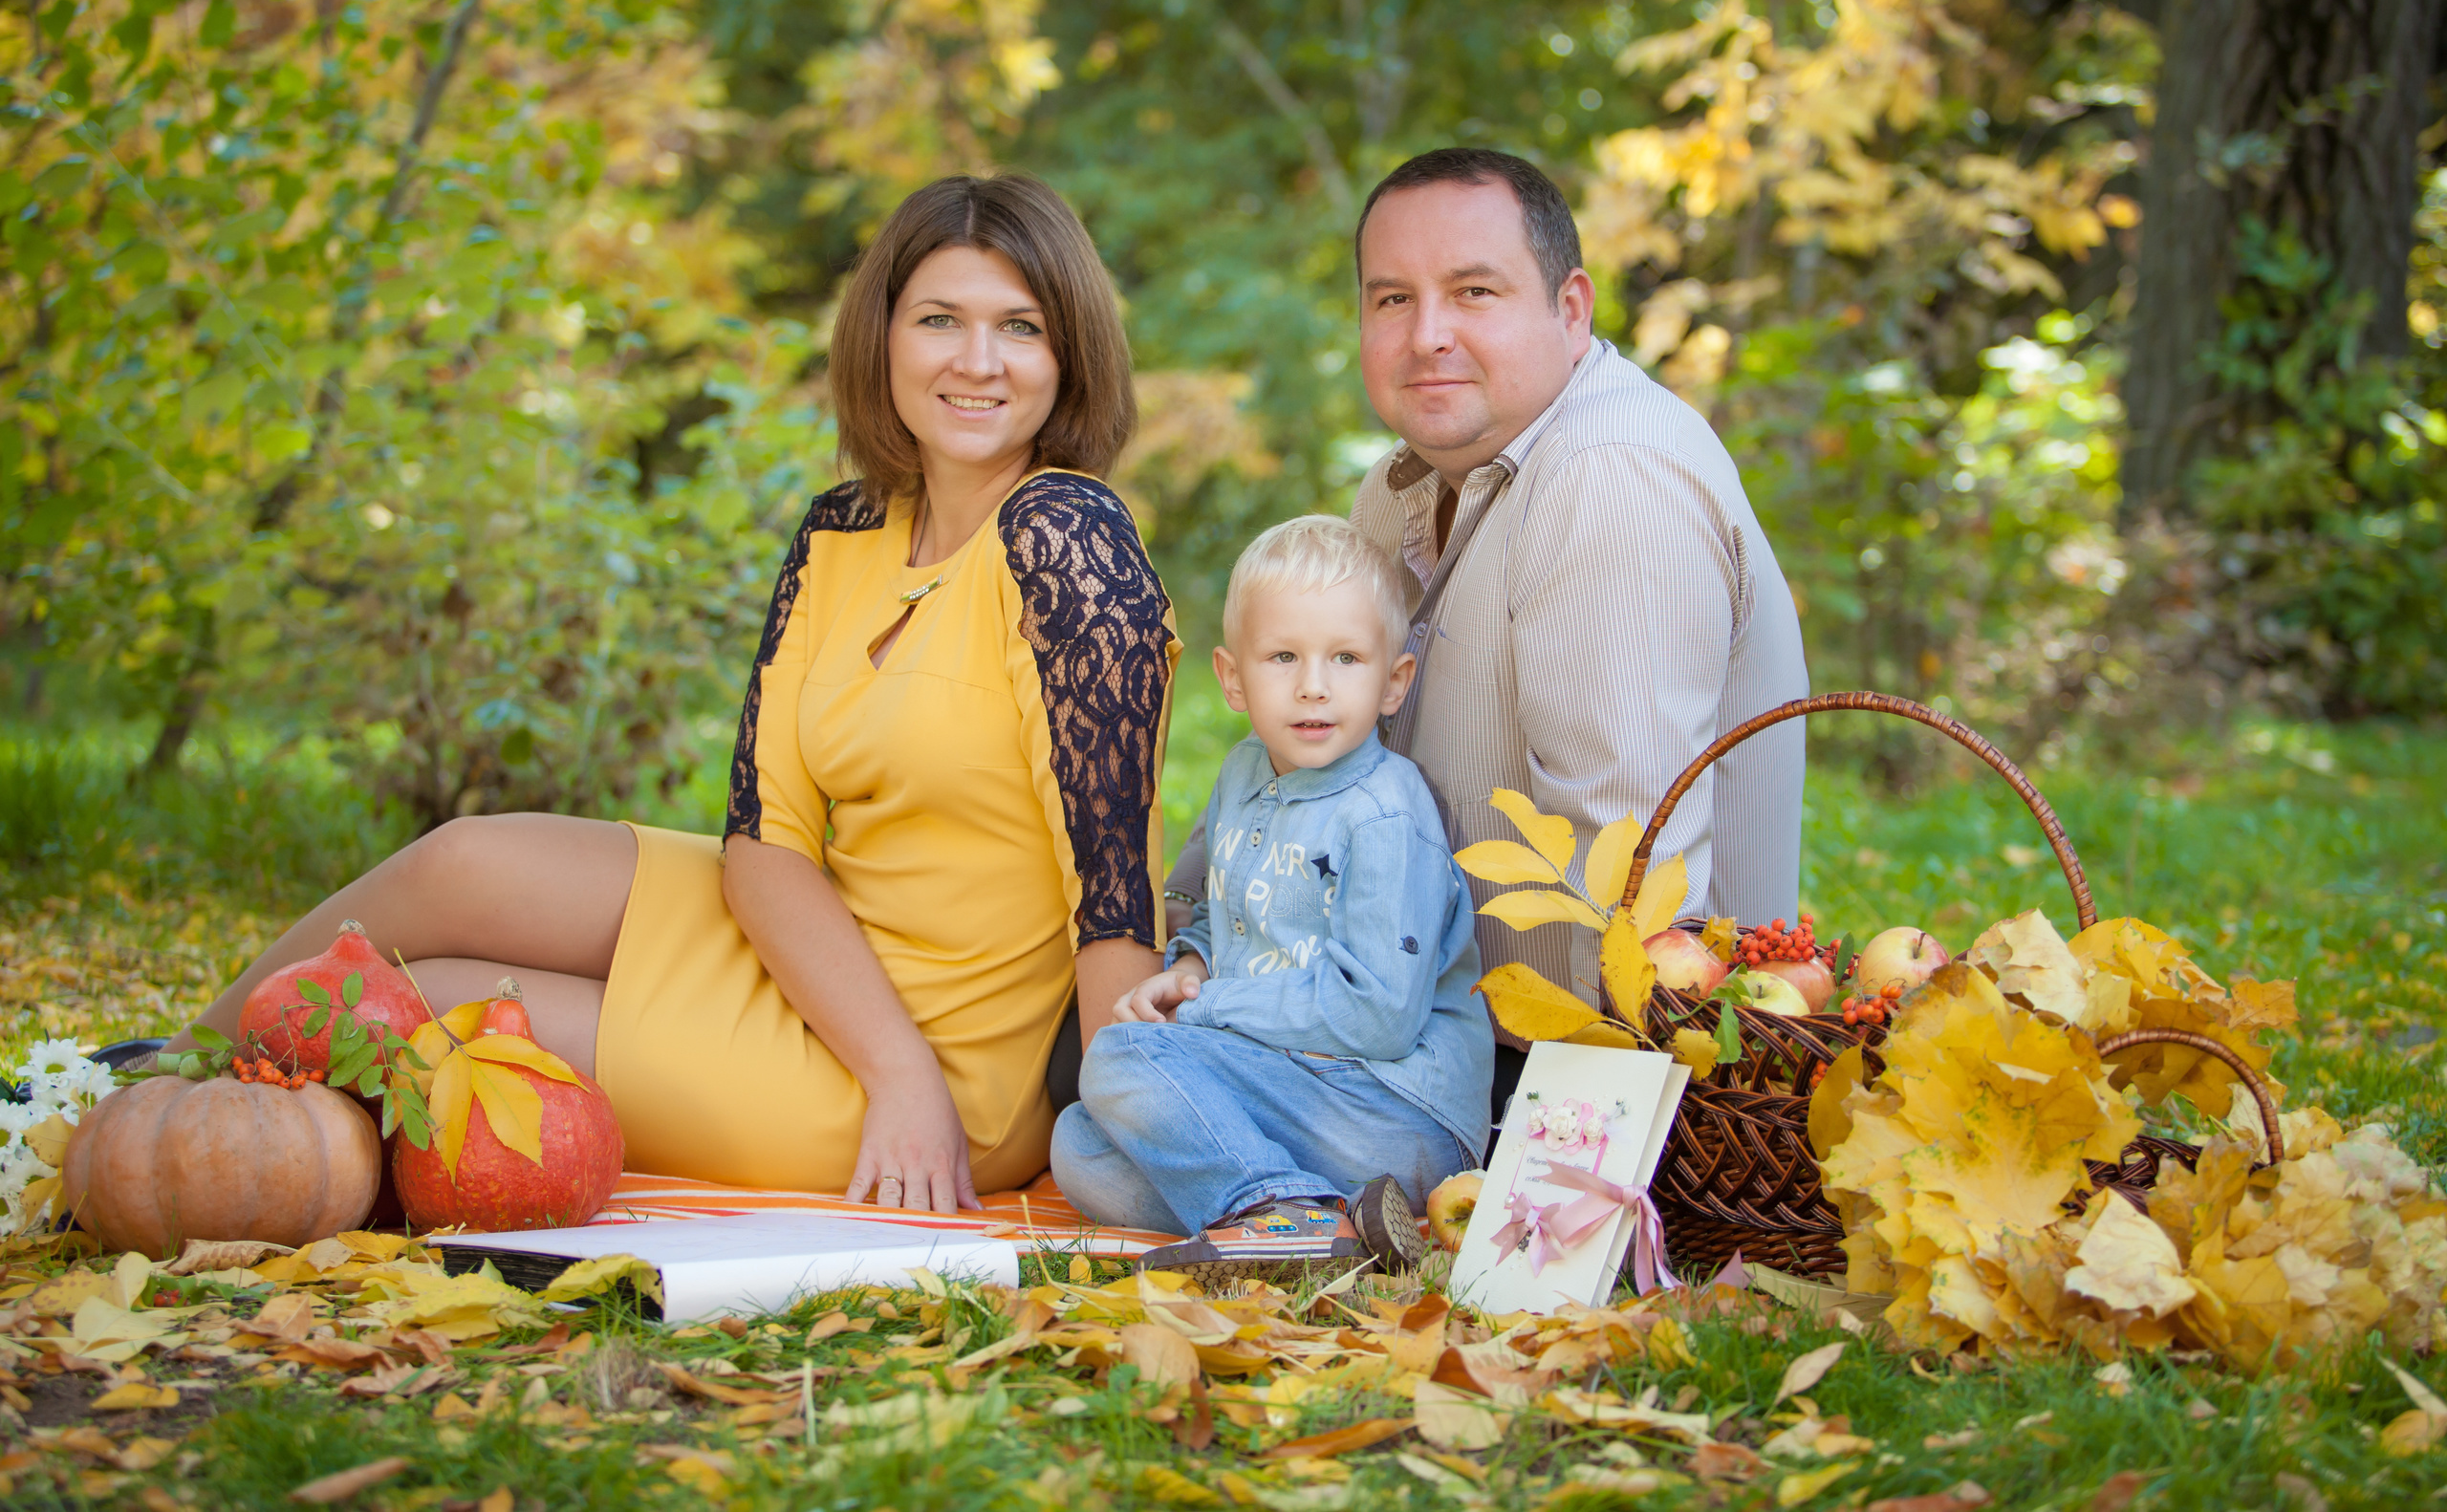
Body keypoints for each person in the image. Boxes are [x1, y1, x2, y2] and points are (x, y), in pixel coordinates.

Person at [182, 173, 1179, 1214]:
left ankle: (206, 1121)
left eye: (1018, 326)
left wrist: (1072, 1118)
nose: (978, 361)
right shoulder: (843, 531)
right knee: (462, 859)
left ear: (1067, 357)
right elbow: (764, 838)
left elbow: (1116, 888)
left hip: (933, 1070)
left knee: (423, 1003)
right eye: (940, 319)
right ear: (882, 337)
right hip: (818, 948)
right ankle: (153, 1078)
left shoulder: (1070, 539)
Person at [1167, 148, 1808, 1127]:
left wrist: (1545, 1190)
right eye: (1391, 300)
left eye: (1474, 291)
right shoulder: (1406, 484)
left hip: (1579, 1084)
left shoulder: (1609, 478)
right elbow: (1312, 762)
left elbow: (1626, 894)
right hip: (1385, 1016)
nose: (1428, 335)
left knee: (1117, 1090)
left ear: (1570, 307)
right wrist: (1191, 942)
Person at [1053, 516, 1493, 1285]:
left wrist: (1210, 1004)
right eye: (1283, 656)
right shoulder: (1243, 773)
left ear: (1395, 681)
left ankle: (1271, 1207)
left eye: (1346, 658)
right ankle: (1319, 1219)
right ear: (1232, 678)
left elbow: (1378, 1017)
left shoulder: (1385, 813)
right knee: (1081, 1143)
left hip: (1393, 1108)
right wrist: (1189, 966)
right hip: (1286, 1085)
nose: (1313, 684)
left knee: (1122, 1057)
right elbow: (1219, 907)